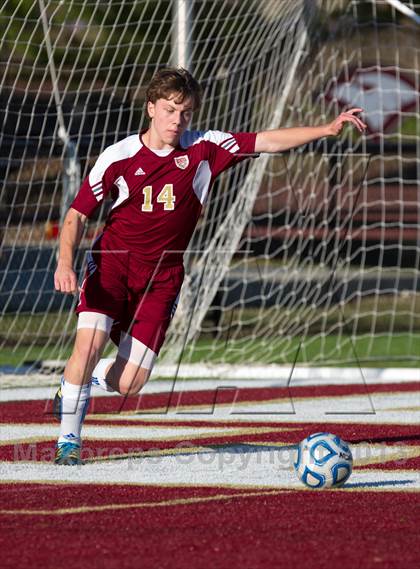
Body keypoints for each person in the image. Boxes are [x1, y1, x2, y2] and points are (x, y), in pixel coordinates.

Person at [53, 67, 366, 465]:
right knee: (89, 343)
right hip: (112, 264)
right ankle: (68, 443)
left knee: (130, 383)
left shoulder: (204, 148)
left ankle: (77, 382)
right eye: (169, 110)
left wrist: (324, 128)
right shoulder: (118, 157)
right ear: (151, 108)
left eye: (185, 112)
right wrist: (66, 263)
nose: (176, 120)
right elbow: (77, 215)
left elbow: (266, 141)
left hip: (164, 275)